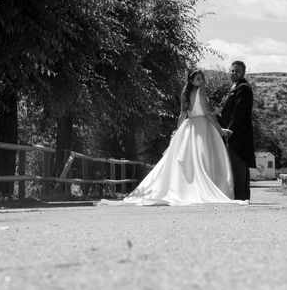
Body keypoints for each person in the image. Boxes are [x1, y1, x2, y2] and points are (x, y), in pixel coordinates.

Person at [102, 69, 240, 206]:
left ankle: (186, 189)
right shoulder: (201, 91)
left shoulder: (185, 93)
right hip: (202, 126)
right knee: (204, 158)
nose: (201, 80)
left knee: (190, 160)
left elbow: (182, 115)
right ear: (191, 81)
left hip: (189, 126)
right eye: (198, 78)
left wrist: (178, 132)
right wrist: (220, 129)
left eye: (202, 77)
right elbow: (208, 113)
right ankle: (203, 189)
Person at [219, 60, 256, 201]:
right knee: (236, 165)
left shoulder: (243, 88)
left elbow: (238, 112)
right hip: (234, 134)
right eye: (232, 70)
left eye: (237, 71)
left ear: (243, 72)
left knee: (239, 164)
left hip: (239, 134)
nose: (234, 73)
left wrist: (230, 129)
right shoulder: (234, 87)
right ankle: (241, 196)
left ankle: (240, 197)